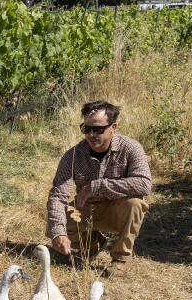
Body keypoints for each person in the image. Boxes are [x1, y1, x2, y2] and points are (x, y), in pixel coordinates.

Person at [46, 100, 151, 276]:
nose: (91, 134)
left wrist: (97, 186)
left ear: (114, 127)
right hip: (87, 209)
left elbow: (144, 183)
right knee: (55, 223)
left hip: (119, 209)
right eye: (87, 129)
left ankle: (120, 259)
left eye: (98, 129)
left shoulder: (131, 148)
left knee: (135, 204)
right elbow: (57, 195)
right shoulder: (73, 155)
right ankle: (92, 245)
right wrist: (58, 233)